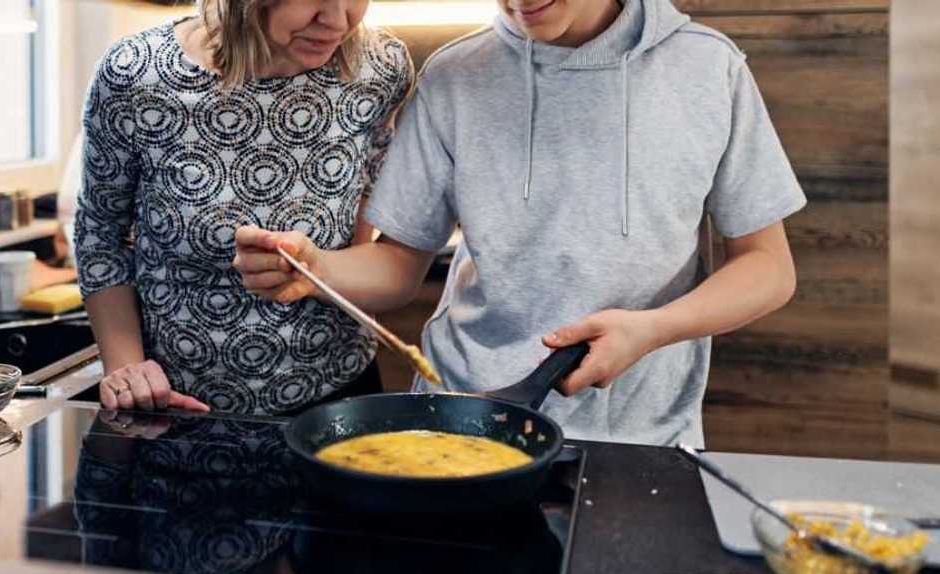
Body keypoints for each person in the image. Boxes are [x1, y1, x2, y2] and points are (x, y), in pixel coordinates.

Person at [235, 0, 801, 446]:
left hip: (643, 434)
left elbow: (768, 267)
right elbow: (398, 266)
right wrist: (319, 269)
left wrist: (651, 329)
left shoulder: (708, 66)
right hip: (464, 415)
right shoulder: (455, 74)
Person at [75, 0, 412, 415]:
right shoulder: (135, 74)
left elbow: (365, 237)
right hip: (177, 405)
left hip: (339, 397)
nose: (338, 21)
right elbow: (99, 234)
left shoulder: (379, 69)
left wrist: (319, 266)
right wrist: (128, 368)